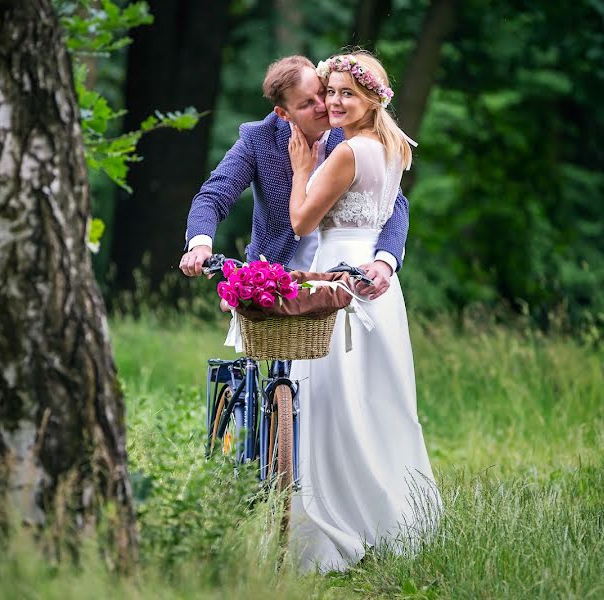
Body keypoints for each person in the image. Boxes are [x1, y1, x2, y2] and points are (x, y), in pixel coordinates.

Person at [286, 51, 442, 573]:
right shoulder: (396, 147)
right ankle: (394, 521)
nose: (332, 102)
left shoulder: (348, 152)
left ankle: (338, 525)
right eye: (329, 92)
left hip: (338, 276)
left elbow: (305, 222)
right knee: (378, 398)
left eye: (345, 94)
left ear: (373, 97)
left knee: (332, 399)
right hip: (378, 290)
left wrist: (302, 170)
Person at [179, 55, 410, 298]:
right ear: (283, 113)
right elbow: (213, 196)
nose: (324, 105)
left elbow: (395, 202)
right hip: (274, 282)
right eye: (307, 104)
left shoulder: (351, 133)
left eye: (322, 92)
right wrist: (200, 245)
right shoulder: (259, 139)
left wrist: (385, 261)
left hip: (340, 275)